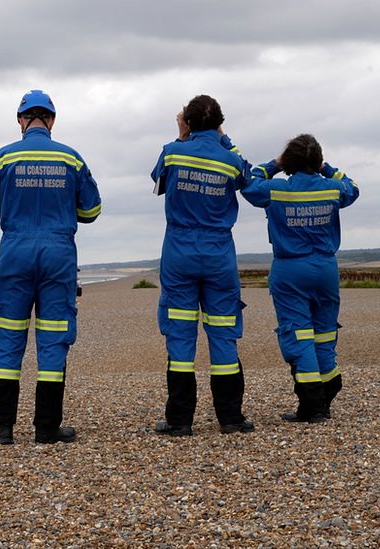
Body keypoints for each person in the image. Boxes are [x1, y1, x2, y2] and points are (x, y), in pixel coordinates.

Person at [0, 90, 102, 445]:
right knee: (53, 338)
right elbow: (91, 211)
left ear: (20, 120)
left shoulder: (3, 158)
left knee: (5, 338)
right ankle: (46, 428)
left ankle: (3, 429)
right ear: (52, 120)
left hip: (15, 251)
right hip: (58, 255)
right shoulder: (72, 159)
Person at [149, 95, 254, 437]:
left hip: (179, 252)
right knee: (223, 335)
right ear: (220, 122)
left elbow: (157, 181)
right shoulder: (229, 158)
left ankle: (179, 421)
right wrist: (223, 138)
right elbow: (247, 176)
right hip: (219, 252)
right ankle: (231, 419)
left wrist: (182, 136)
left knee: (180, 338)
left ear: (188, 122)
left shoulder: (173, 151)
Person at [241, 134, 360, 423]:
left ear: (290, 162)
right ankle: (329, 386)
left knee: (298, 333)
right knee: (325, 332)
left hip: (290, 269)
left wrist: (275, 164)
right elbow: (353, 188)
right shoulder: (332, 189)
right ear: (317, 161)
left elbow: (249, 182)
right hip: (326, 269)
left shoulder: (277, 190)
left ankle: (312, 405)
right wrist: (326, 168)